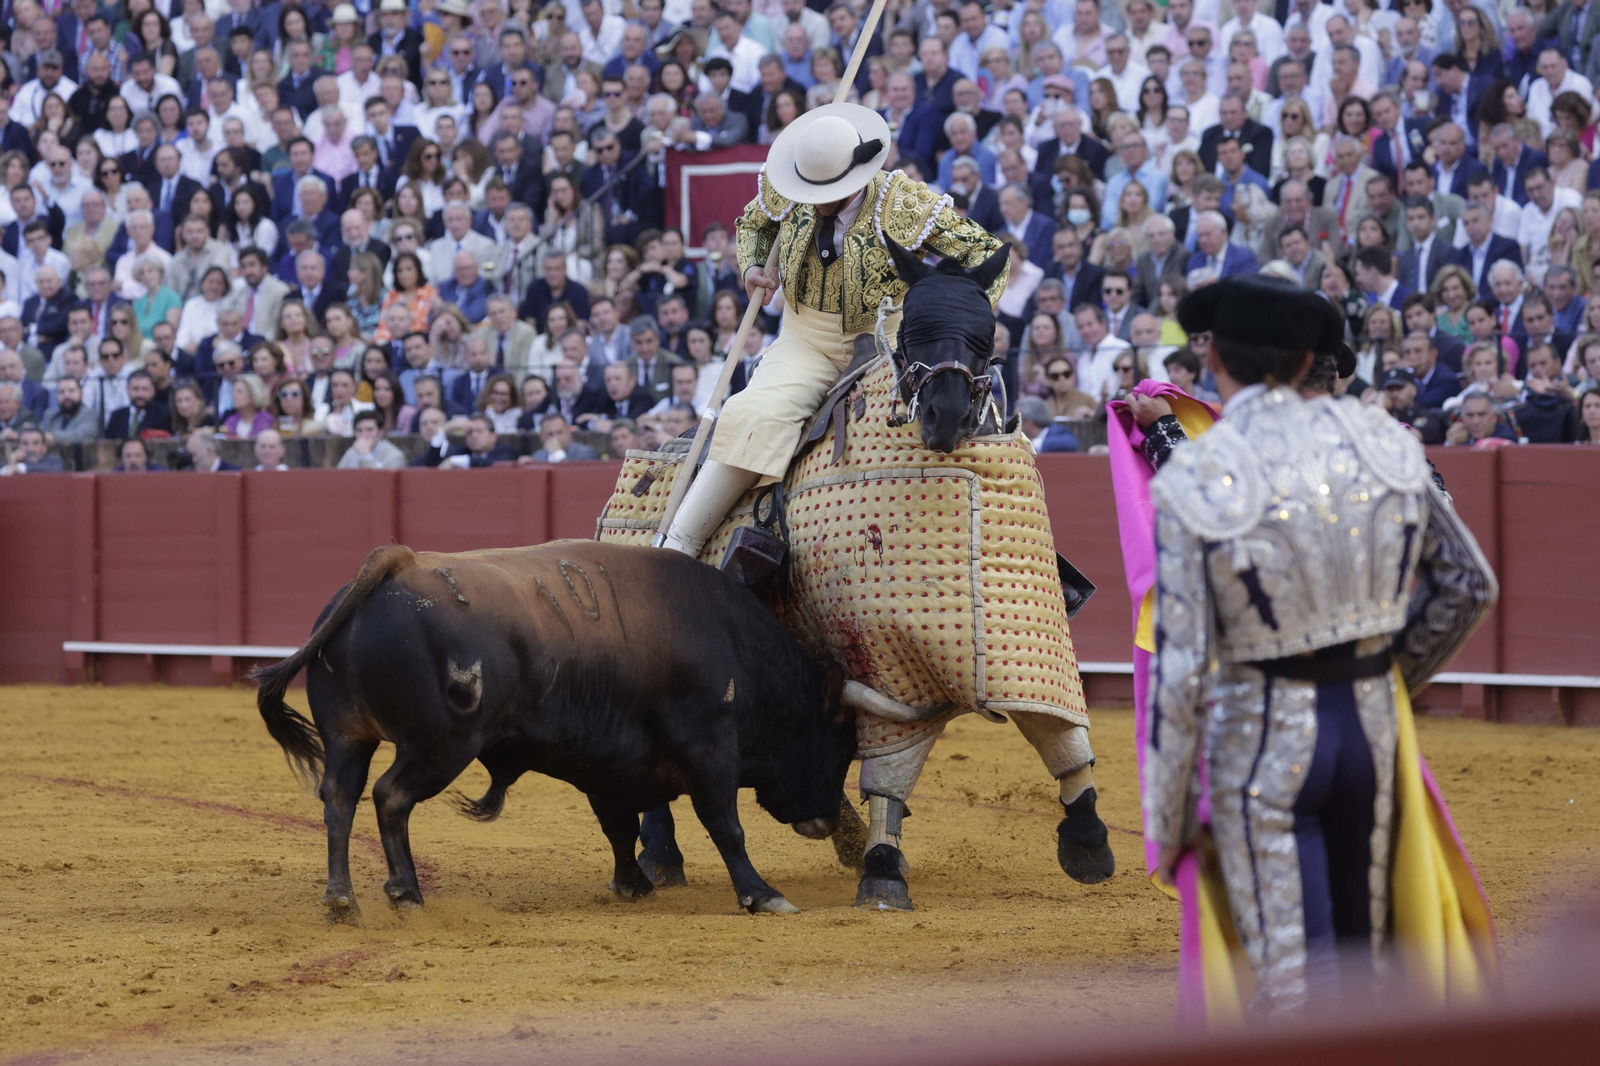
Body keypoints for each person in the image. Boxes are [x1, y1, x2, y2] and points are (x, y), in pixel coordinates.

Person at [1143, 273, 1498, 1019]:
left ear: (1216, 365)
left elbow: (1179, 670)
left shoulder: (1198, 471)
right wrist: (1383, 676)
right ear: (1310, 363)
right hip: (1370, 731)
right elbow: (1469, 584)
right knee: (1369, 966)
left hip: (1262, 736)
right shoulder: (1385, 444)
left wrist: (1168, 822)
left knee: (1291, 985)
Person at [337, 409, 408, 469]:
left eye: (369, 430)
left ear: (381, 432)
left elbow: (382, 483)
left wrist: (365, 456)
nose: (364, 435)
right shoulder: (352, 452)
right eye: (359, 430)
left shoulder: (394, 456)